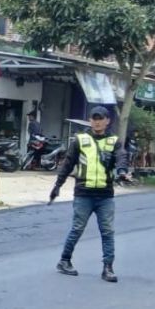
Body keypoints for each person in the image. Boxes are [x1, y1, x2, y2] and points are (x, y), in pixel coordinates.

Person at [49, 105, 130, 283]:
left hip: (105, 195)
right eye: (94, 118)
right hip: (83, 194)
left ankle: (108, 268)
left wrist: (122, 170)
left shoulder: (114, 141)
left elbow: (121, 157)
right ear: (90, 120)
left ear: (107, 121)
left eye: (100, 118)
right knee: (77, 229)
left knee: (107, 231)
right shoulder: (80, 140)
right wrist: (57, 186)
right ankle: (64, 261)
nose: (97, 121)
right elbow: (67, 164)